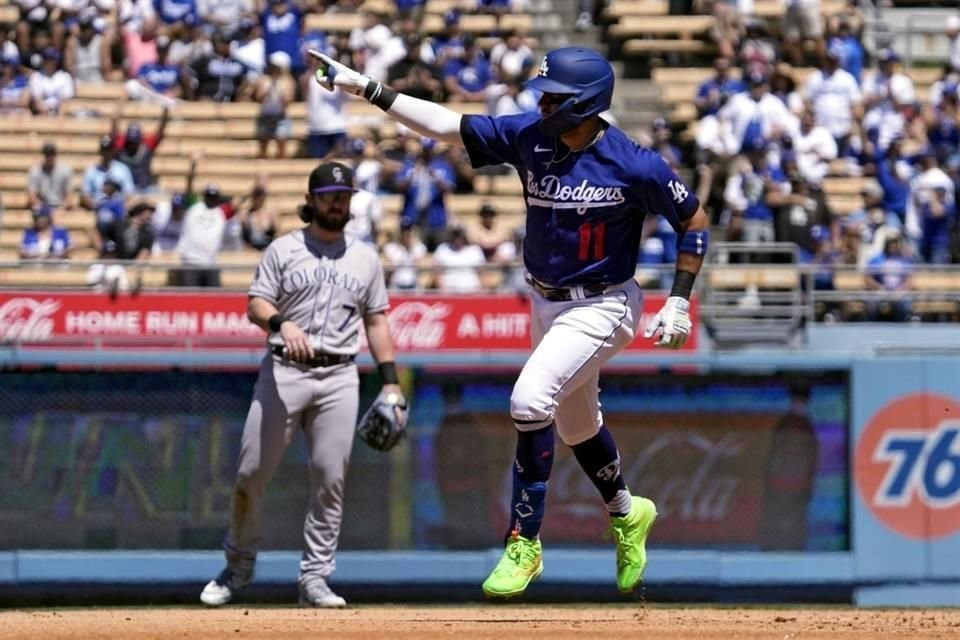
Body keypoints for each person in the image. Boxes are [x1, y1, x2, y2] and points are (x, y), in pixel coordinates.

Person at [310, 45, 711, 597]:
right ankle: (627, 511)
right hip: (545, 303)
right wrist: (368, 89)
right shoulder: (533, 136)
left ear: (587, 103)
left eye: (555, 98)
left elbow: (693, 219)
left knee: (528, 401)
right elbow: (447, 126)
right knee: (575, 427)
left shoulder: (633, 162)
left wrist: (679, 300)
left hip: (604, 302)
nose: (543, 103)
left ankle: (524, 541)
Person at [199, 161, 402, 608]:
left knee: (330, 479)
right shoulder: (283, 249)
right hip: (284, 371)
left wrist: (391, 384)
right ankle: (238, 565)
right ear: (310, 200)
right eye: (329, 195)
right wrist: (280, 322)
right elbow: (255, 304)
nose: (337, 202)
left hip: (339, 376)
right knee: (251, 473)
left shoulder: (365, 257)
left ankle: (315, 578)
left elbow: (377, 319)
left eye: (344, 195)